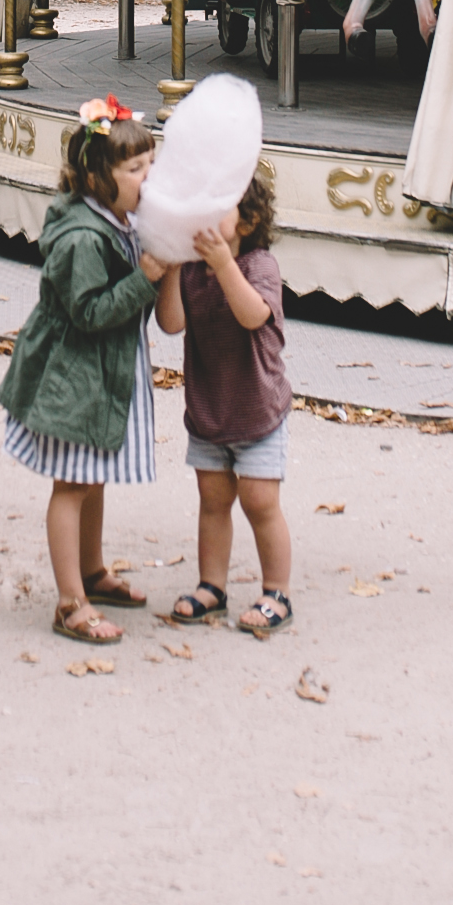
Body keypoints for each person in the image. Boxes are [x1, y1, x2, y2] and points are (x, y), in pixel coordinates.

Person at [0, 95, 170, 648]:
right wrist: (145, 276)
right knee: (73, 482)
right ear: (99, 176)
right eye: (135, 168)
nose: (149, 177)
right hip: (74, 373)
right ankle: (71, 601)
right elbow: (91, 312)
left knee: (94, 474)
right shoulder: (80, 237)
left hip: (105, 367)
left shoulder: (120, 217)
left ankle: (92, 571)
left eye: (151, 164)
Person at [155, 164, 294, 637]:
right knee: (213, 500)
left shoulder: (259, 267)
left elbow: (254, 315)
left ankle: (277, 590)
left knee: (260, 502)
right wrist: (174, 265)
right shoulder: (192, 270)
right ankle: (211, 586)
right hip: (209, 410)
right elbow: (171, 323)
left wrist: (222, 265)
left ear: (250, 221)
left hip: (258, 411)